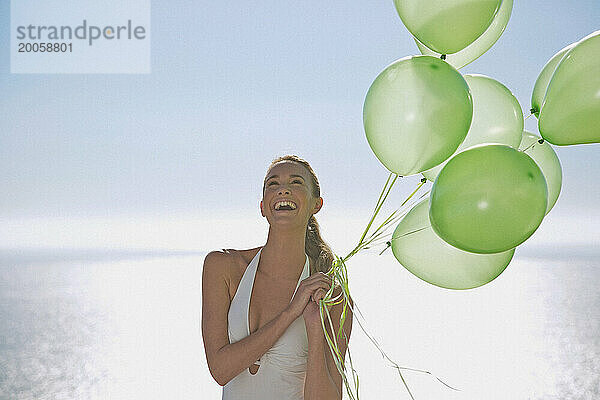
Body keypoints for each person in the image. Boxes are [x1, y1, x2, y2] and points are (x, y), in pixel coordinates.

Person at [202, 154, 353, 400]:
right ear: (263, 206)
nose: (283, 190)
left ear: (317, 204)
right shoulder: (223, 267)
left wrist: (315, 328)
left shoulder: (332, 298)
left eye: (296, 183)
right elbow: (221, 369)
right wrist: (290, 313)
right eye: (273, 184)